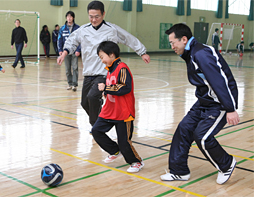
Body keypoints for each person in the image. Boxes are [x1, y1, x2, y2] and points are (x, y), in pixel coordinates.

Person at [161, 23, 239, 185]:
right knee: (184, 129)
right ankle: (179, 171)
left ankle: (226, 164)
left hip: (219, 103)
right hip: (205, 101)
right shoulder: (191, 53)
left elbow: (220, 81)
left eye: (173, 42)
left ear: (184, 39)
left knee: (202, 137)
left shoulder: (201, 54)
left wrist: (230, 108)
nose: (172, 46)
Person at [57, 1, 150, 128]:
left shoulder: (112, 29)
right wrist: (64, 54)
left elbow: (128, 38)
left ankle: (97, 128)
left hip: (104, 72)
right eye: (91, 16)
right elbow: (71, 42)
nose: (94, 20)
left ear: (103, 14)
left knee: (92, 96)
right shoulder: (83, 30)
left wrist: (142, 52)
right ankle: (102, 121)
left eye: (97, 16)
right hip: (88, 73)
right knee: (85, 103)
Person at [92, 41, 143, 172]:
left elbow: (125, 87)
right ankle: (114, 151)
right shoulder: (110, 69)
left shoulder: (122, 68)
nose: (102, 60)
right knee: (96, 131)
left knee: (124, 142)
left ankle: (136, 162)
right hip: (109, 110)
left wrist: (107, 88)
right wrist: (105, 91)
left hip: (123, 112)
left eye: (102, 57)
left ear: (112, 54)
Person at [58, 11, 81, 91]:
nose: (69, 18)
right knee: (67, 69)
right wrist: (60, 50)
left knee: (75, 68)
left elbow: (81, 40)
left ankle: (75, 85)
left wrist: (78, 50)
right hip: (66, 52)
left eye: (71, 16)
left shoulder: (78, 28)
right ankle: (70, 84)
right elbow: (59, 39)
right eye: (68, 16)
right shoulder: (62, 28)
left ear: (73, 18)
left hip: (75, 52)